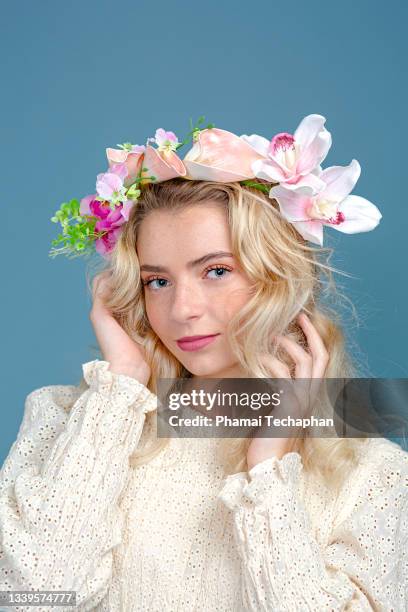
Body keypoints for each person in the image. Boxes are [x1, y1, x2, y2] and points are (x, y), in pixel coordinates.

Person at [0, 115, 407, 612]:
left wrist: (268, 471)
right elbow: (34, 600)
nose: (182, 309)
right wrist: (121, 389)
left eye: (216, 271)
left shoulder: (373, 471)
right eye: (158, 281)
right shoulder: (68, 423)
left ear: (277, 279)